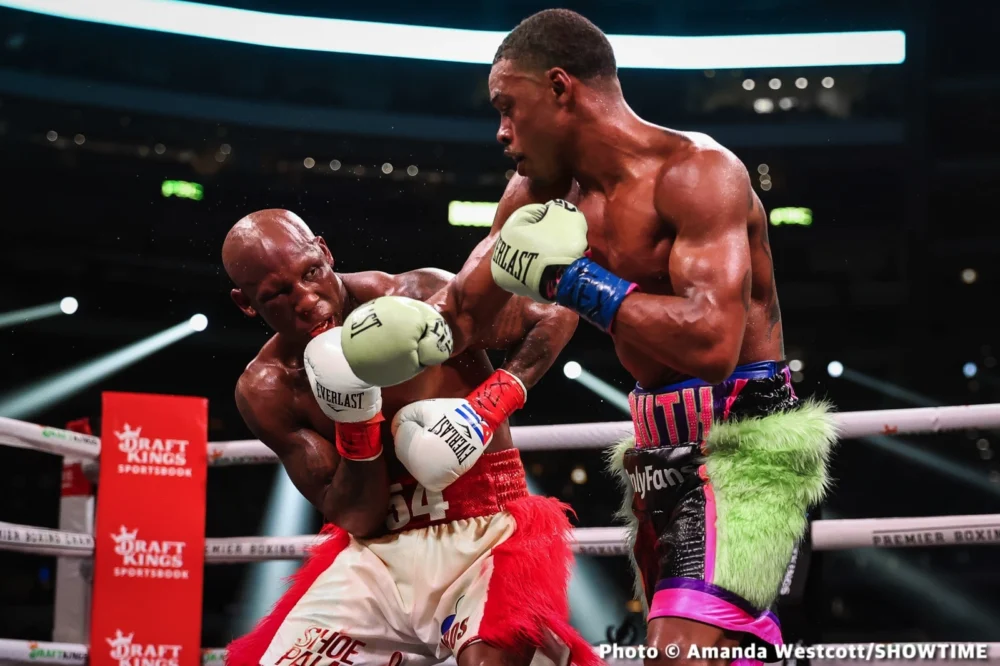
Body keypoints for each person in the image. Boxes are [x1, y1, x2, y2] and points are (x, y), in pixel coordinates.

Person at [338, 10, 837, 665]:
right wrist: (362, 336)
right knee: (712, 650)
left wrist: (569, 280)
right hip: (656, 452)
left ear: (560, 87)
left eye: (508, 107)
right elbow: (466, 316)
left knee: (679, 652)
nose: (501, 131)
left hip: (742, 445)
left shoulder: (698, 173)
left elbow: (713, 344)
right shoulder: (534, 194)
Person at [220, 209, 599, 666]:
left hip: (489, 534)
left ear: (324, 250)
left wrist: (490, 405)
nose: (306, 299)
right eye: (277, 294)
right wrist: (357, 422)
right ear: (246, 304)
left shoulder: (419, 298)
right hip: (375, 560)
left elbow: (554, 312)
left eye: (311, 272)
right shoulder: (268, 388)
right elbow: (357, 518)